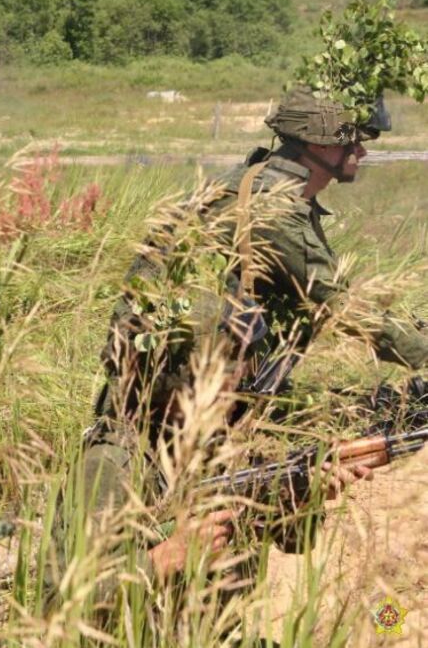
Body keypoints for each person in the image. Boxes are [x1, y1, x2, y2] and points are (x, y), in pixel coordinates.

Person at [60, 85, 428, 611]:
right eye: (354, 140)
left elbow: (292, 541)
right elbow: (348, 309)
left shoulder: (254, 185)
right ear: (320, 143)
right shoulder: (273, 206)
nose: (363, 152)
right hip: (182, 397)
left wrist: (304, 490)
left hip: (204, 403)